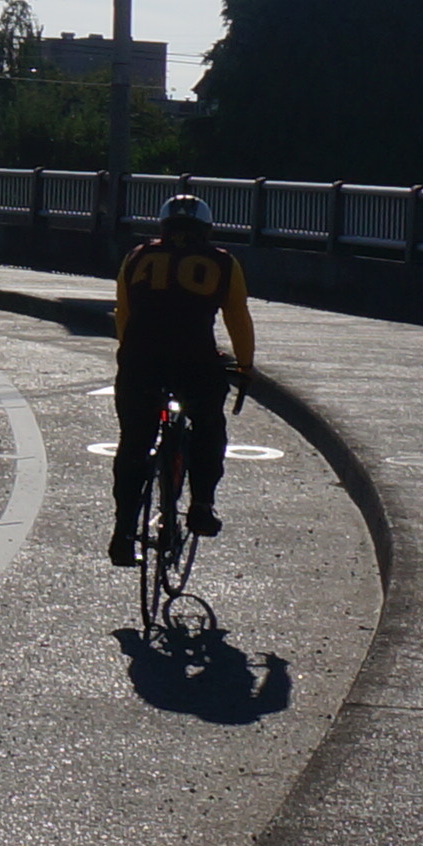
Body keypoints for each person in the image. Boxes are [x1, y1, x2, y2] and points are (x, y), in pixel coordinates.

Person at [110, 190, 257, 567]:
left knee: (134, 444)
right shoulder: (223, 262)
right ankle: (202, 505)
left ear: (162, 226)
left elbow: (123, 314)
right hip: (195, 360)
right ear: (206, 230)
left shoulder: (137, 257)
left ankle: (124, 530)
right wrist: (244, 365)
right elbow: (236, 317)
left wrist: (131, 356)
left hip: (141, 361)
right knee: (209, 426)